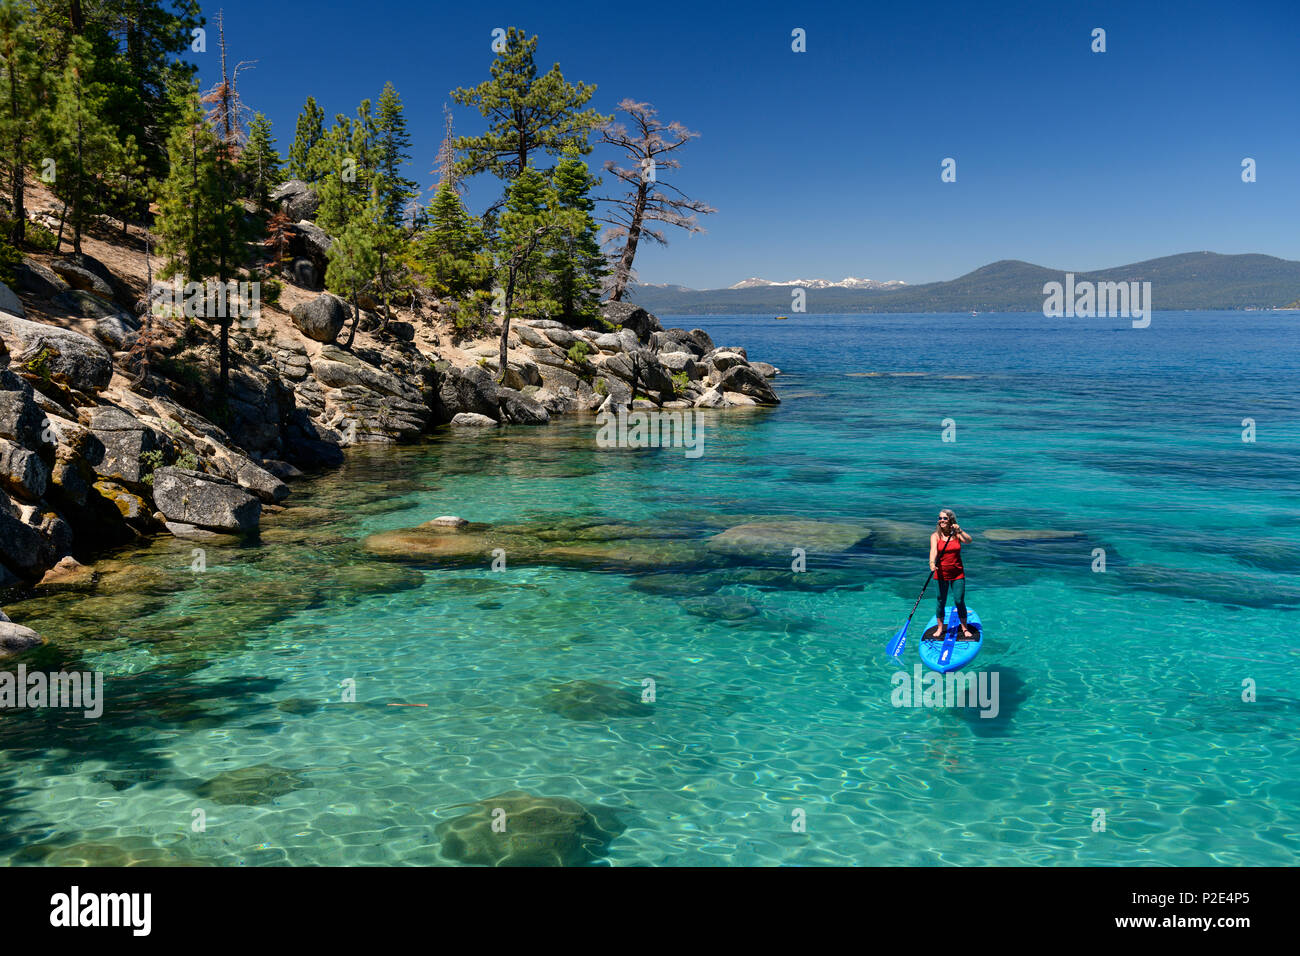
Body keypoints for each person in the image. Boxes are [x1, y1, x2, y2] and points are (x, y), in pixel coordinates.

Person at [929, 509, 974, 639]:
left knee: (959, 600)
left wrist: (959, 531)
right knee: (940, 600)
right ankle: (940, 628)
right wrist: (932, 562)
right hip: (941, 573)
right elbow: (933, 551)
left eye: (944, 518)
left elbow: (969, 540)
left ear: (951, 521)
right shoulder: (935, 536)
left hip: (957, 573)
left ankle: (964, 628)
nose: (941, 521)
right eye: (940, 518)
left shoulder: (957, 535)